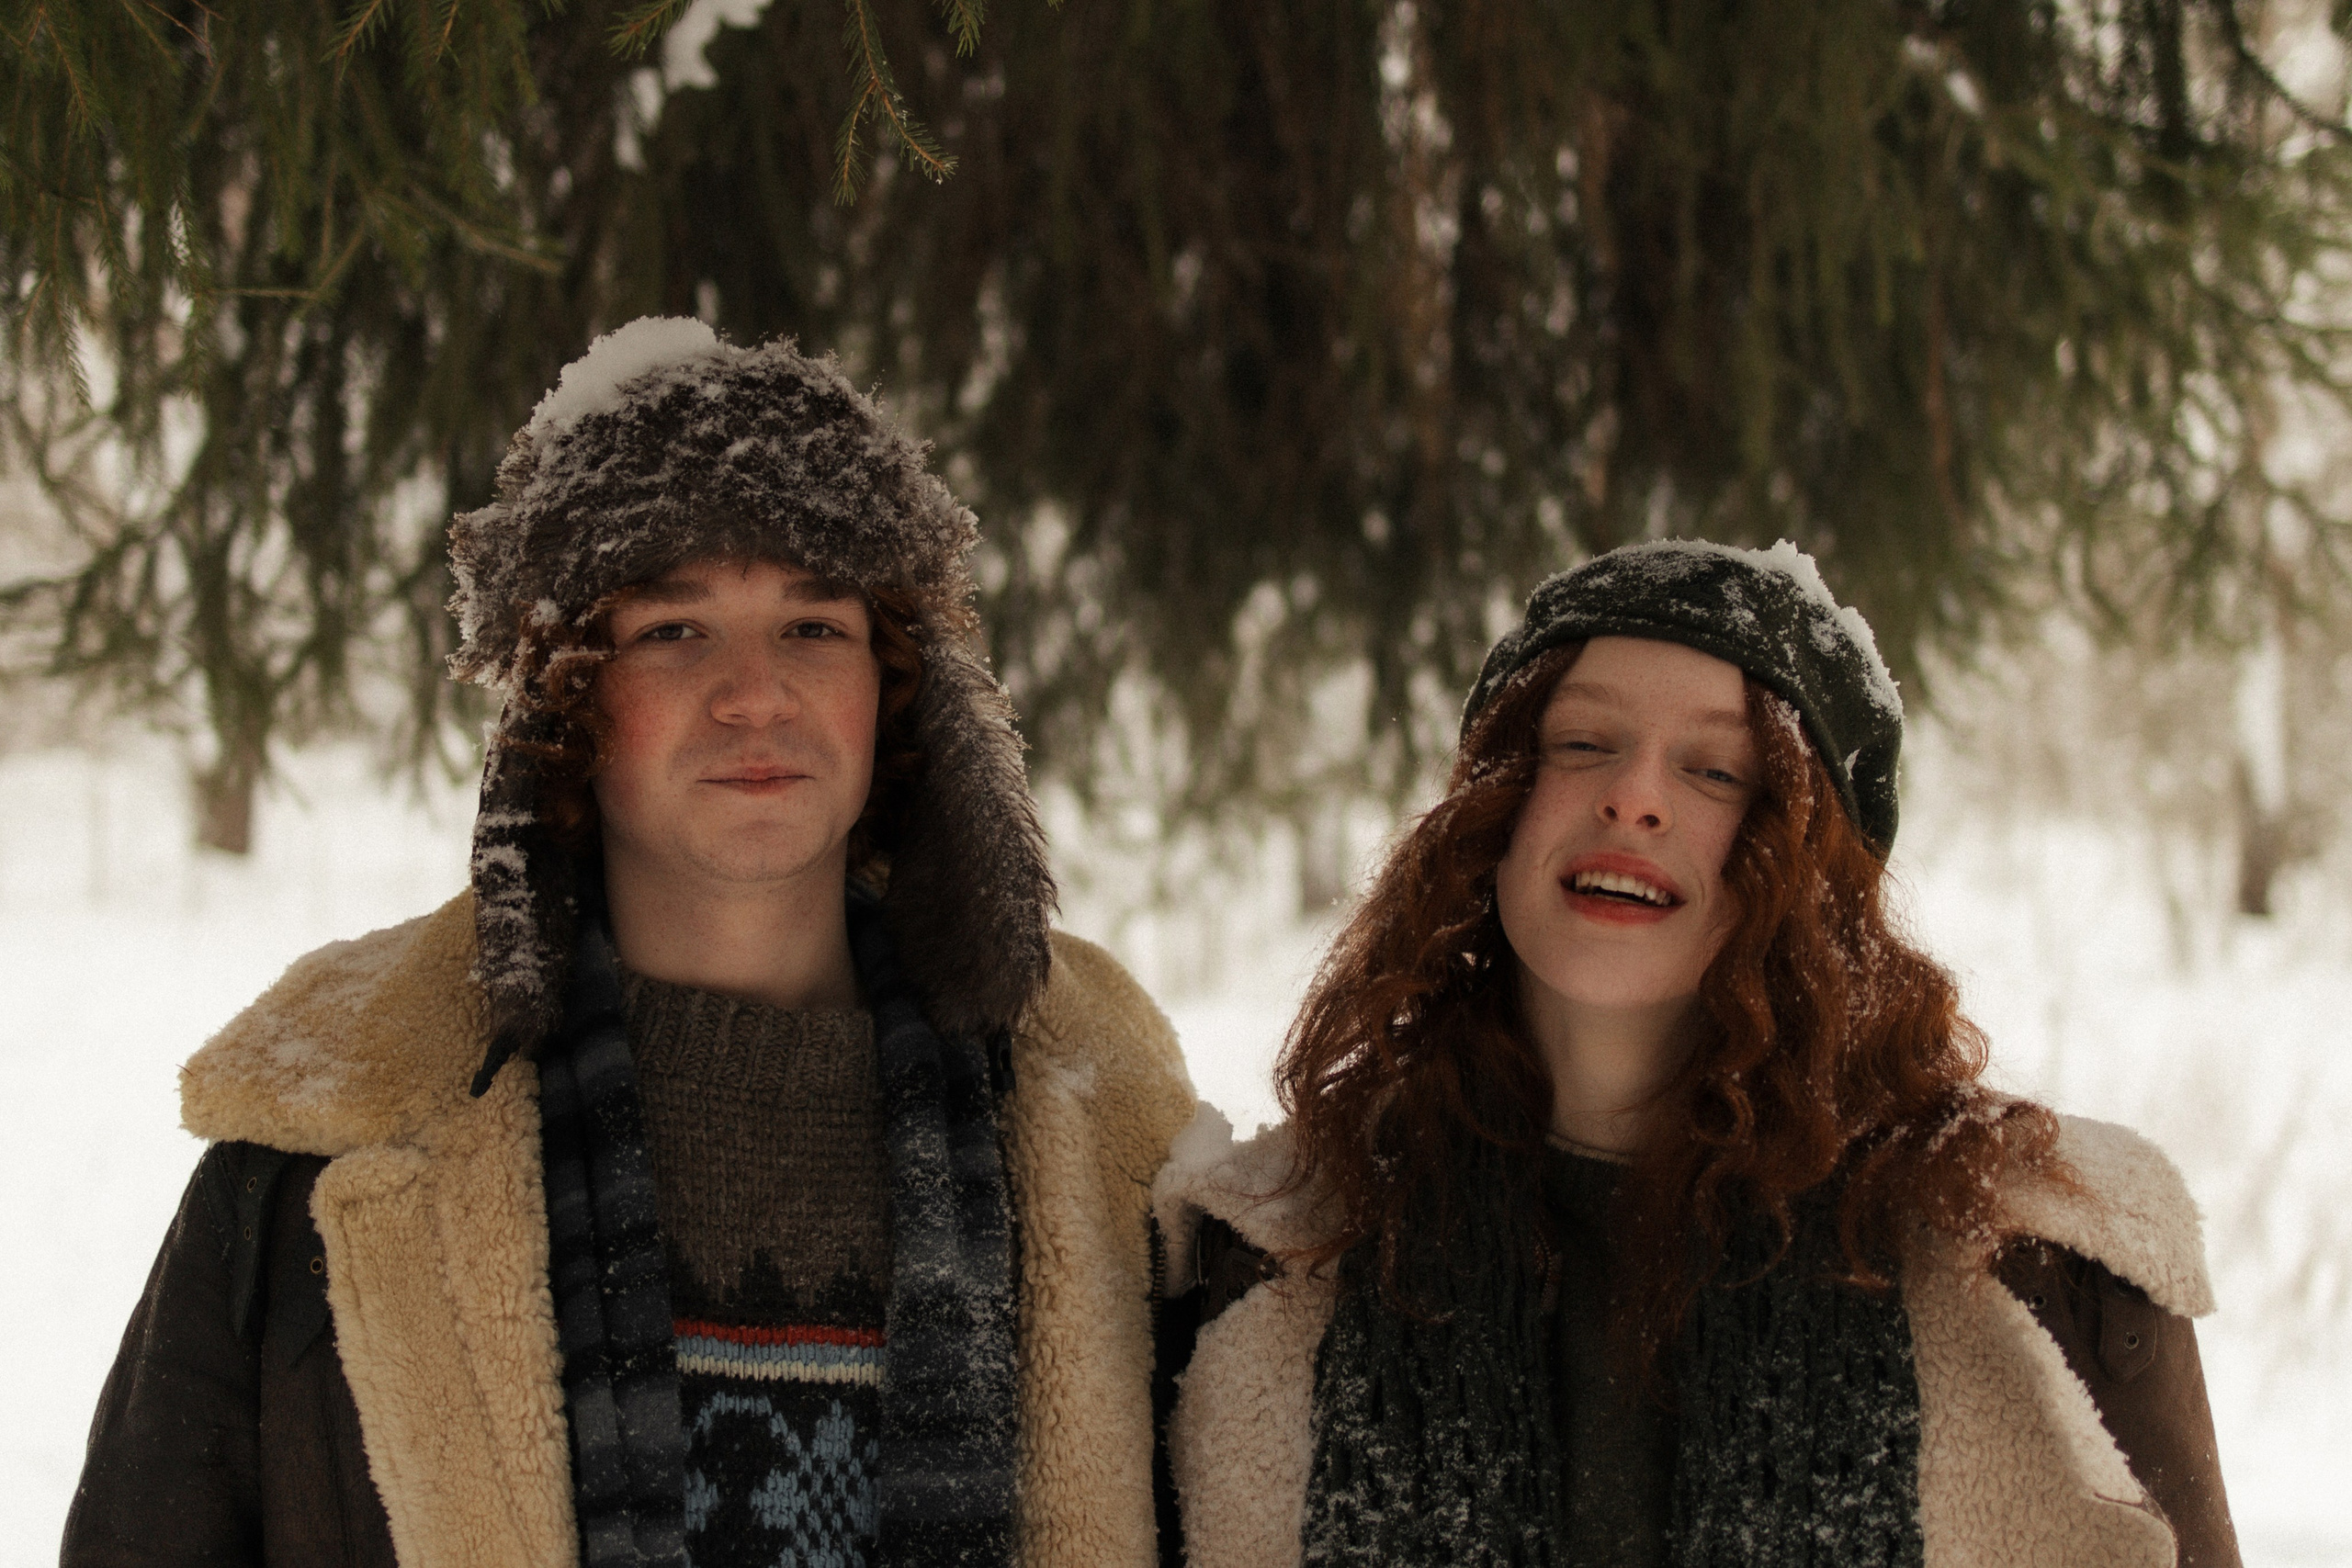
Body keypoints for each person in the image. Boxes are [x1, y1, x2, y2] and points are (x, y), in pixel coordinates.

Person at [65, 321, 1195, 1568]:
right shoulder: (320, 1141)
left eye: (814, 625)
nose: (755, 690)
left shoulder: (1105, 1135)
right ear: (566, 690)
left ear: (893, 680)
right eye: (675, 628)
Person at [1153, 540, 2239, 1568]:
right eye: (1580, 745)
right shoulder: (1271, 1249)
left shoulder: (2032, 1257)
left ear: (1813, 868)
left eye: (1716, 771)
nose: (1633, 796)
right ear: (1494, 810)